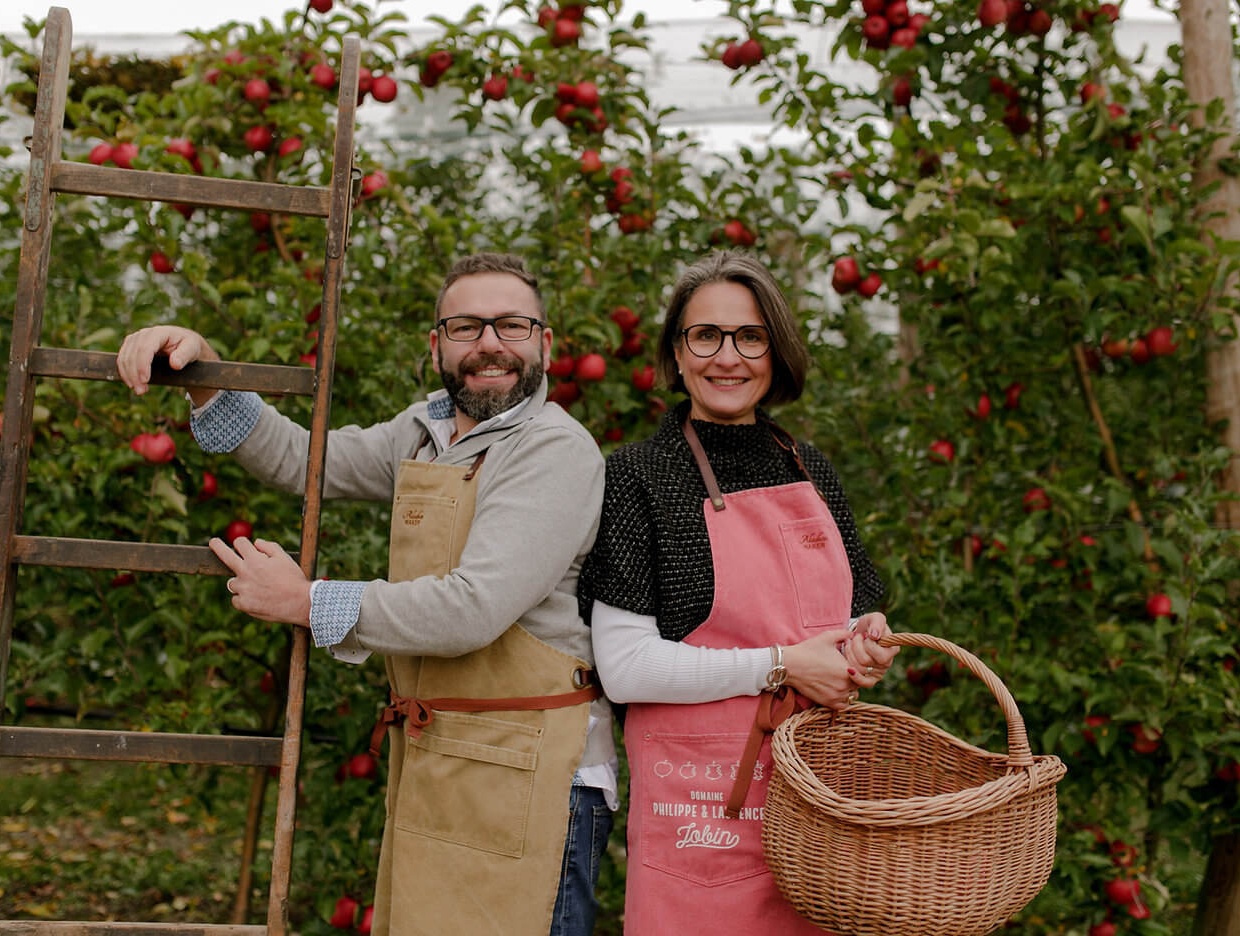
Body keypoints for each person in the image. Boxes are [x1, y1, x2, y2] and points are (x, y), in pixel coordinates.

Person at [116, 253, 616, 936]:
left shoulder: (552, 449)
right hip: (448, 754)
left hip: (534, 769)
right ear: (436, 344)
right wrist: (208, 376)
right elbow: (305, 462)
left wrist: (306, 600)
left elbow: (473, 608)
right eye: (467, 326)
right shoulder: (426, 431)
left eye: (512, 325)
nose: (490, 343)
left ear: (545, 343)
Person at [576, 250, 898, 934]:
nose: (729, 357)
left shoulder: (809, 467)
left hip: (816, 811)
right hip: (702, 818)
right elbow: (626, 669)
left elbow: (858, 608)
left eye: (749, 337)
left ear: (776, 352)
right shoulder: (641, 475)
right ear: (676, 352)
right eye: (706, 336)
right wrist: (783, 664)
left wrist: (867, 642)